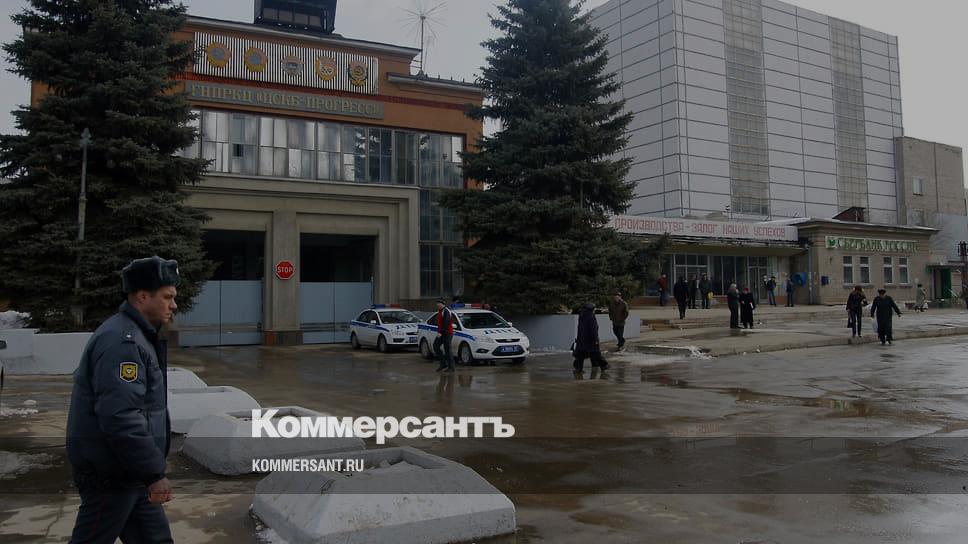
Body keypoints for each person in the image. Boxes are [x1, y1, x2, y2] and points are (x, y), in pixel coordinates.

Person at [67, 256, 179, 543]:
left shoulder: (136, 335)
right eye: (167, 297)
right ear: (142, 296)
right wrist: (154, 473)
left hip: (130, 471)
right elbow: (121, 416)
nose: (174, 305)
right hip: (111, 474)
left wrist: (147, 471)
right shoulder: (123, 343)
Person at [574, 303, 608, 372]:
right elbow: (593, 329)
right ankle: (604, 365)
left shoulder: (581, 316)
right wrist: (596, 339)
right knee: (596, 353)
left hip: (582, 339)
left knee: (580, 354)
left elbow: (579, 328)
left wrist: (578, 338)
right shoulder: (591, 317)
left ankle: (578, 368)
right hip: (590, 339)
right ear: (592, 309)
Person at [433, 298, 456, 372]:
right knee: (435, 346)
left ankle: (451, 367)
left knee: (447, 350)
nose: (437, 305)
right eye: (437, 304)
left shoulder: (446, 311)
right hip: (441, 333)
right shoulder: (440, 311)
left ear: (442, 304)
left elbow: (446, 323)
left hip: (447, 333)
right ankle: (443, 364)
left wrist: (441, 332)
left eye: (438, 304)